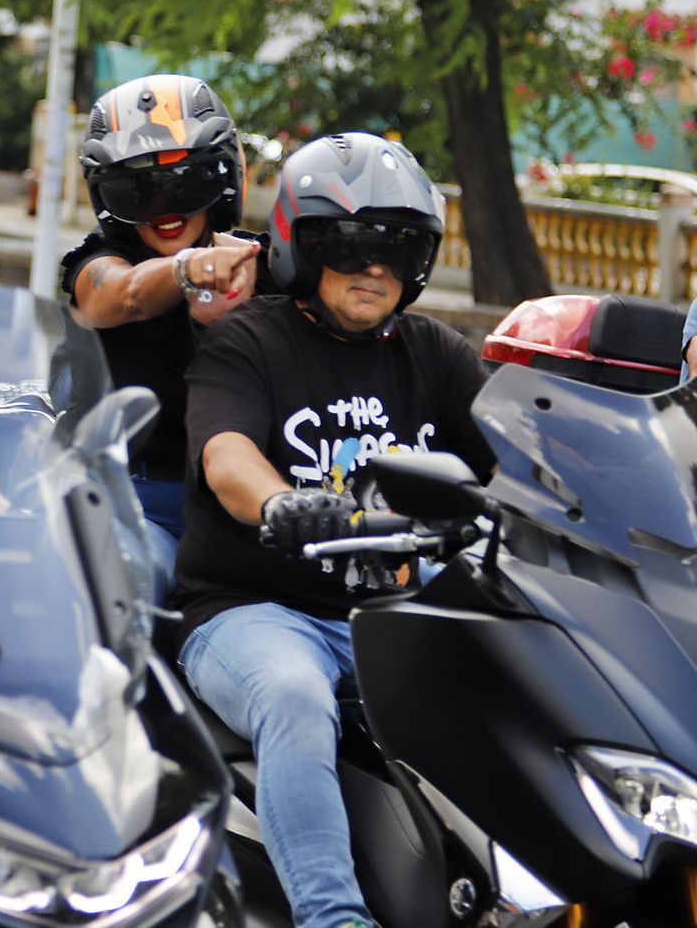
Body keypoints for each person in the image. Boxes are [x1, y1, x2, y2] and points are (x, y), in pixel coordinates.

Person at [173, 132, 495, 928]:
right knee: (291, 693)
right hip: (251, 610)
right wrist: (285, 501)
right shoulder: (248, 342)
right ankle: (332, 916)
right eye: (350, 244)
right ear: (301, 245)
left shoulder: (437, 354)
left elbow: (517, 457)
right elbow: (227, 458)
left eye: (396, 247)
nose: (374, 266)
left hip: (399, 615)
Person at [59, 74, 261, 600]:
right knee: (130, 579)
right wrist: (188, 270)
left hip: (251, 505)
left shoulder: (268, 266)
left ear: (223, 178)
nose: (166, 207)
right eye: (140, 191)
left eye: (187, 183)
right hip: (133, 499)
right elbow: (117, 296)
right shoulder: (95, 265)